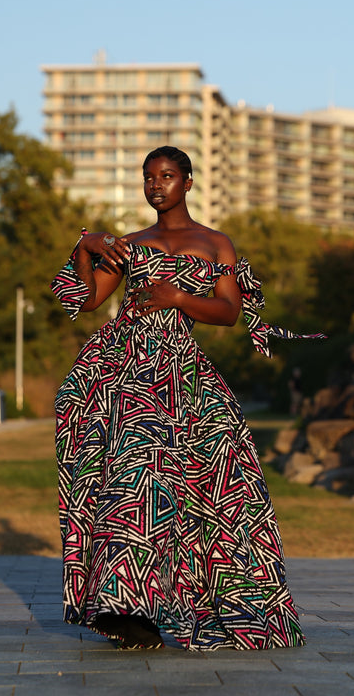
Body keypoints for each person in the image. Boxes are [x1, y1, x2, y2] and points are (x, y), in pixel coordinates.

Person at [51, 146, 321, 651]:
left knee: (220, 478)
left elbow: (228, 312)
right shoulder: (129, 245)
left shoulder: (216, 244)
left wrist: (177, 297)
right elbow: (84, 299)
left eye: (168, 176)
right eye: (149, 177)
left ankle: (217, 599)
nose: (157, 185)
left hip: (182, 371)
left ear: (188, 183)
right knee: (134, 474)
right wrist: (84, 247)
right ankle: (125, 607)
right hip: (123, 371)